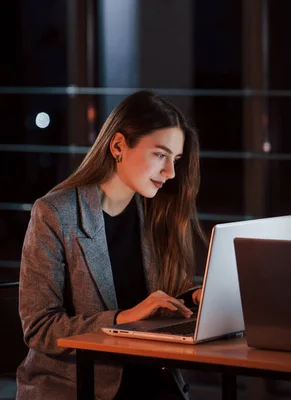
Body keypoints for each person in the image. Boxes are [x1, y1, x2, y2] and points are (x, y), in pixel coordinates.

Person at [17, 90, 204, 400]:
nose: (171, 172)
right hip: (78, 387)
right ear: (118, 146)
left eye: (176, 159)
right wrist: (122, 319)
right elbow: (39, 328)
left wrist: (194, 296)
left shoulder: (155, 211)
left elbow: (165, 293)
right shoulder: (54, 214)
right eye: (160, 154)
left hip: (152, 377)